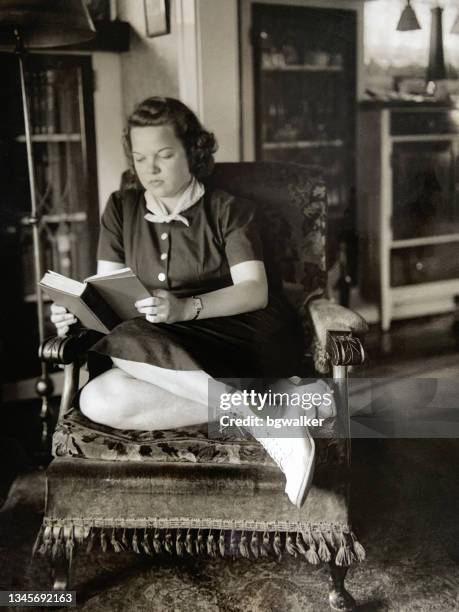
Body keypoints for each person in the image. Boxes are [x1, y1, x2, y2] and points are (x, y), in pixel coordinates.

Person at [50, 97, 325, 509]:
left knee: (125, 337)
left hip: (241, 332)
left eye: (164, 155)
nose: (150, 169)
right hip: (158, 344)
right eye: (140, 158)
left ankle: (266, 425)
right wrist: (76, 313)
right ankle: (275, 404)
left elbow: (255, 290)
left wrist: (186, 308)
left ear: (193, 153)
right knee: (97, 399)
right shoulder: (120, 208)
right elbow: (106, 292)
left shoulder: (229, 210)